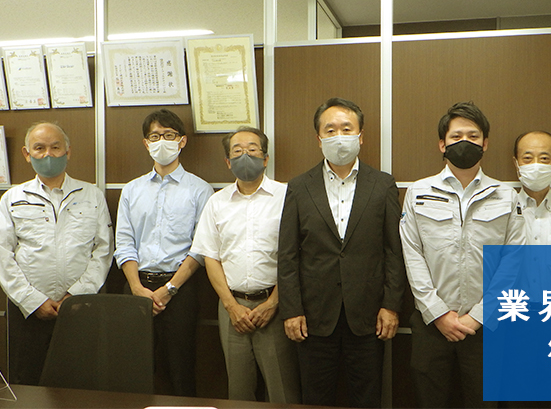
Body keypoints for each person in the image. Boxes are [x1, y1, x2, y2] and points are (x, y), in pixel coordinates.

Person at [277, 98, 407, 407]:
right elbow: (288, 255)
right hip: (313, 317)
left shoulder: (383, 185)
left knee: (367, 397)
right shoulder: (299, 186)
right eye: (330, 130)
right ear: (318, 138)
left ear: (360, 136)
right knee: (315, 397)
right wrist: (292, 310)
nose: (339, 136)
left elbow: (394, 251)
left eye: (347, 129)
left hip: (369, 317)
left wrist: (391, 306)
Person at [399, 101, 525, 408]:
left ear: (485, 143)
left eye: (473, 135)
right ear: (442, 144)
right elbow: (412, 255)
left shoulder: (506, 196)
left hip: (487, 325)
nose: (464, 142)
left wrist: (478, 316)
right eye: (456, 136)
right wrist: (438, 313)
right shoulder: (418, 192)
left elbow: (514, 260)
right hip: (431, 323)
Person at [0, 122, 114, 385]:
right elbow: (2, 255)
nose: (48, 154)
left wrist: (77, 294)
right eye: (39, 148)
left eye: (55, 147)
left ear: (68, 151)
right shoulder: (12, 198)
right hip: (27, 311)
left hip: (80, 309)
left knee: (79, 385)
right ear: (27, 154)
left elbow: (103, 251)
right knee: (27, 385)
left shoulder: (91, 195)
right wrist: (32, 300)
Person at [191, 127, 300, 403]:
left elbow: (297, 256)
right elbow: (210, 257)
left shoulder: (287, 197)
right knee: (238, 392)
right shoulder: (217, 202)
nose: (245, 156)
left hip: (275, 305)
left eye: (252, 150)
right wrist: (231, 306)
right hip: (232, 307)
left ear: (265, 158)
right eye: (237, 151)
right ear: (228, 162)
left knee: (282, 390)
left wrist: (273, 303)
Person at [114, 109, 214, 396]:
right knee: (134, 369)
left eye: (169, 135)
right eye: (155, 136)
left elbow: (200, 247)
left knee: (181, 369)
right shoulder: (132, 190)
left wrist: (169, 289)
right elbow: (124, 242)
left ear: (182, 141)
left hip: (180, 289)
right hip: (137, 287)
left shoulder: (200, 190)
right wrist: (137, 288)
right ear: (146, 143)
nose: (162, 142)